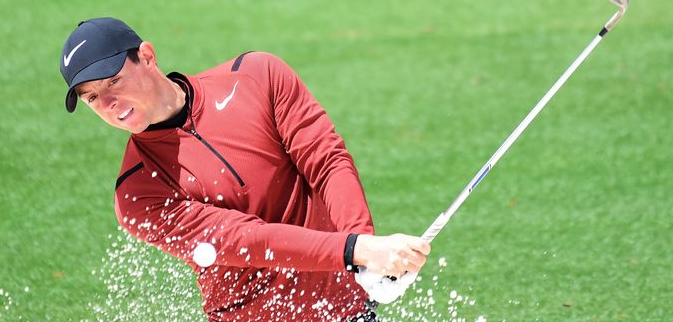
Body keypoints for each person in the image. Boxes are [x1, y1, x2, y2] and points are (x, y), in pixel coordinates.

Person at [59, 17, 430, 321]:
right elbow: (249, 240)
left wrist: (364, 251)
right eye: (92, 97)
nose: (108, 103)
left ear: (148, 55)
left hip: (347, 309)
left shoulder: (256, 76)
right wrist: (356, 251)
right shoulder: (137, 194)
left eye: (114, 82)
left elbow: (327, 160)